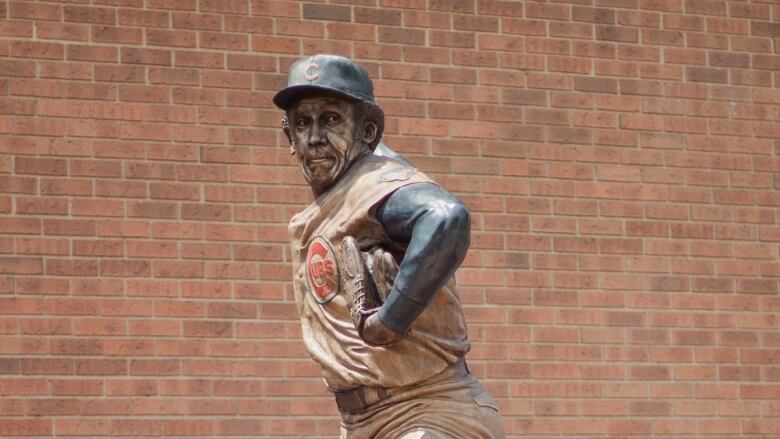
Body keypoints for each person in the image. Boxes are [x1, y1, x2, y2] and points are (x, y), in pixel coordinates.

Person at [274, 54, 505, 438]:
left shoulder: (376, 184)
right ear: (289, 138)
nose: (314, 137)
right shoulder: (338, 195)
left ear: (367, 132)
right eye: (302, 123)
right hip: (362, 422)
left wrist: (386, 324)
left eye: (331, 119)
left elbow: (447, 218)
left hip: (428, 412)